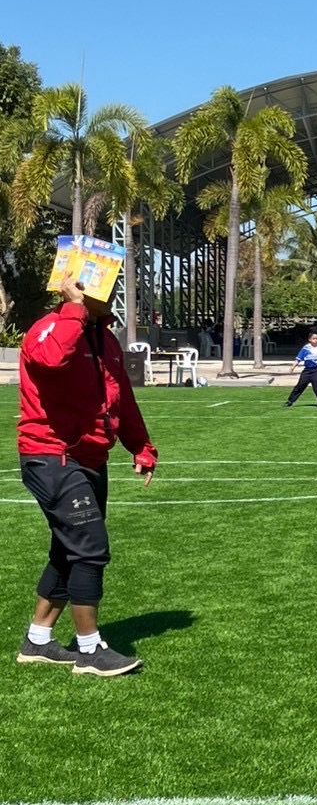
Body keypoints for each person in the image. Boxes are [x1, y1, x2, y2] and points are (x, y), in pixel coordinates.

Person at [15, 279, 157, 676]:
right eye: (97, 283)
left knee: (68, 550)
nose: (108, 291)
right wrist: (73, 309)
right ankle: (90, 649)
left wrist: (141, 447)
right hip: (51, 455)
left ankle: (38, 640)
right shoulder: (49, 327)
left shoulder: (106, 341)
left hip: (91, 458)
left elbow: (121, 398)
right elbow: (50, 360)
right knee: (89, 548)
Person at [284, 332, 317, 407]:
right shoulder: (305, 348)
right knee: (299, 386)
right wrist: (293, 367)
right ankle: (290, 401)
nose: (315, 340)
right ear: (309, 339)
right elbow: (298, 359)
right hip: (307, 371)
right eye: (314, 338)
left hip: (316, 370)